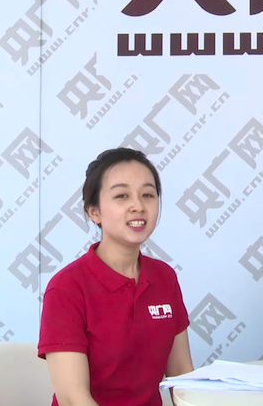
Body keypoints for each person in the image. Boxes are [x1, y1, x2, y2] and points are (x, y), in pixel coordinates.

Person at [38, 148, 193, 406]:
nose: (138, 206)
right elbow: (73, 399)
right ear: (94, 212)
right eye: (122, 196)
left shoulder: (164, 277)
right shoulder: (67, 288)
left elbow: (182, 375)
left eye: (148, 195)